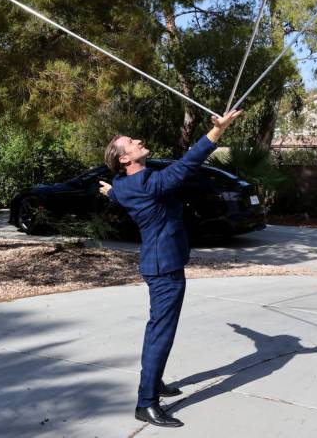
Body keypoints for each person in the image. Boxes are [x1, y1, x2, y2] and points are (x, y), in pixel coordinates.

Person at [99, 108, 243, 428]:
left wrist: (110, 193)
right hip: (164, 269)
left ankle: (154, 381)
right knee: (160, 334)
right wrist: (217, 131)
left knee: (160, 330)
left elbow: (119, 195)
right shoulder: (149, 183)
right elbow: (188, 163)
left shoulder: (123, 186)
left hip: (158, 263)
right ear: (125, 159)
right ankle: (145, 402)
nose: (137, 141)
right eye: (131, 142)